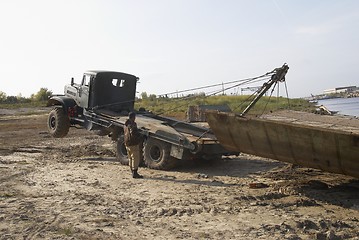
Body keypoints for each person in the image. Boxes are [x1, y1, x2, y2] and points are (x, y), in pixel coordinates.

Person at [124, 112, 143, 178]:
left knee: (130, 158)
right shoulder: (133, 125)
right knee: (135, 158)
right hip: (133, 143)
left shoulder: (125, 124)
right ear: (133, 117)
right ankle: (135, 173)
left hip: (127, 143)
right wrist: (140, 136)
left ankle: (132, 171)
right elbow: (133, 133)